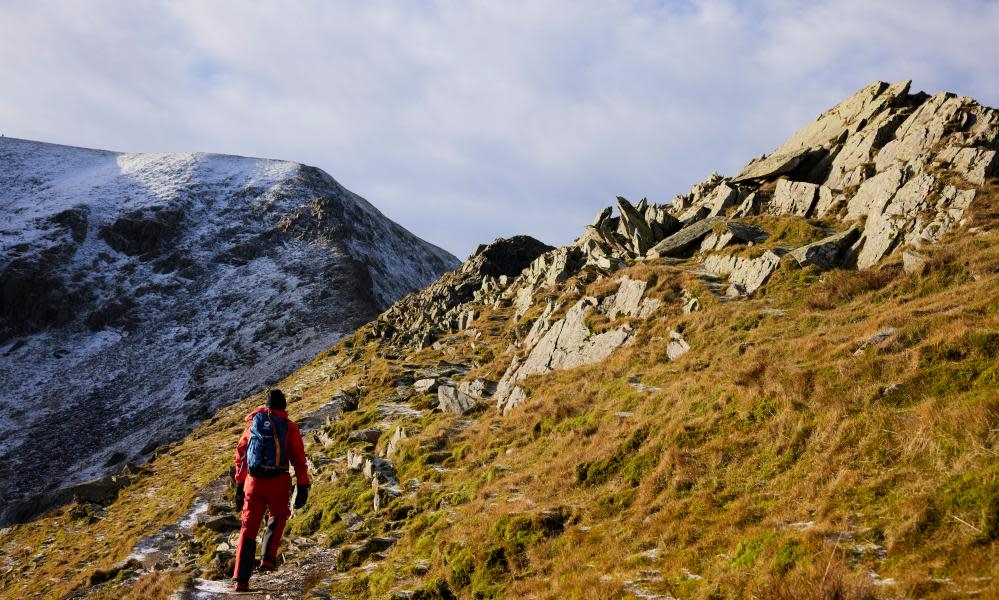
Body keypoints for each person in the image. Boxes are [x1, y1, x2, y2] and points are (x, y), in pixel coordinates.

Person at [232, 389, 310, 592]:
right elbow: (298, 459)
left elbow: (241, 454)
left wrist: (240, 484)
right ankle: (267, 558)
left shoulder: (254, 425)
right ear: (283, 406)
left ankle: (240, 580)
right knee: (278, 515)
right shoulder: (289, 427)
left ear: (266, 405)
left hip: (253, 483)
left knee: (248, 528)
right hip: (278, 482)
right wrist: (303, 484)